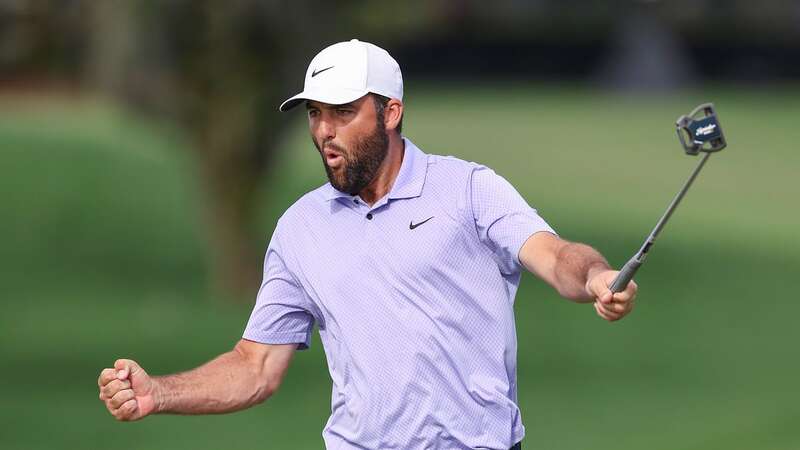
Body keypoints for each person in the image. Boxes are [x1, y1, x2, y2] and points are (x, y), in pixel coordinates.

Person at [97, 39, 637, 450]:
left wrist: (594, 278)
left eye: (343, 112)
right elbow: (256, 367)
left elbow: (555, 254)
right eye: (315, 114)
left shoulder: (468, 189)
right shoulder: (299, 229)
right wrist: (158, 394)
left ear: (391, 112)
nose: (325, 131)